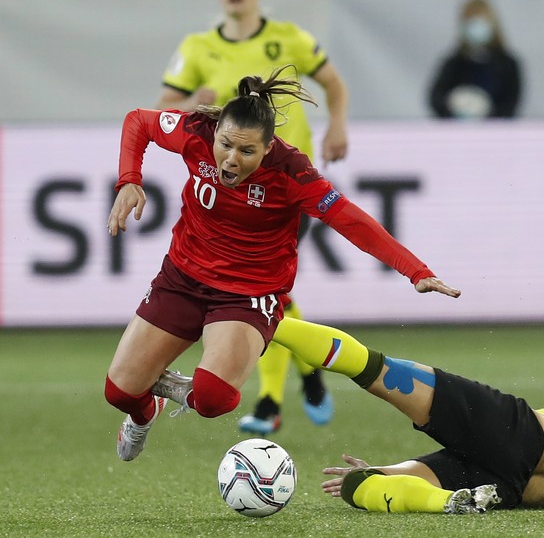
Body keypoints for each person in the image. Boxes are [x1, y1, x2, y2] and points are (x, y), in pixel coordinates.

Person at [105, 66, 461, 462]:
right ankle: (145, 412)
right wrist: (129, 179)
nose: (231, 159)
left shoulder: (292, 172)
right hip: (182, 277)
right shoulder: (195, 131)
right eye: (225, 145)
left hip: (247, 296)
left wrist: (416, 271)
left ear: (269, 146)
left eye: (247, 151)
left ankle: (177, 387)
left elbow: (352, 221)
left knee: (212, 399)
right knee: (119, 392)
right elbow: (138, 120)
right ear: (216, 130)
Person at [152, 316, 544, 513]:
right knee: (361, 486)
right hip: (508, 484)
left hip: (517, 429)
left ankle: (265, 319)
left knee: (375, 369)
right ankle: (444, 503)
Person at [156, 0, 350, 435]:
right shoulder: (198, 48)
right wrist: (193, 98)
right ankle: (306, 373)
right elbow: (163, 109)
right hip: (230, 190)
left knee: (260, 290)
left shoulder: (289, 39)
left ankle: (268, 401)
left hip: (286, 190)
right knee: (262, 292)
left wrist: (337, 125)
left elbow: (332, 83)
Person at [428, 0, 523, 120]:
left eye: (481, 20)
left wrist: (487, 114)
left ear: (492, 24)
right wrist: (454, 108)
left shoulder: (507, 64)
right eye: (471, 21)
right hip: (456, 132)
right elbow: (436, 97)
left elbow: (511, 101)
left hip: (495, 132)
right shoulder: (454, 63)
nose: (476, 25)